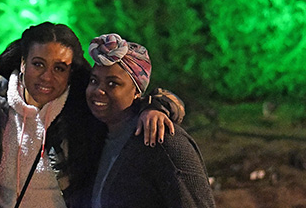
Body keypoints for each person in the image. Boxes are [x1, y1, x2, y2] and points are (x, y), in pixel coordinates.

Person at [0, 22, 186, 208]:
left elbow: (134, 101)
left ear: (71, 72)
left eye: (59, 68)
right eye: (38, 64)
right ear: (23, 63)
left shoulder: (83, 108)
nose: (47, 77)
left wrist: (156, 107)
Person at [85, 33, 216, 208]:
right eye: (94, 80)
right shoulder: (97, 137)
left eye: (112, 83)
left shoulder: (161, 140)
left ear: (137, 91)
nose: (98, 91)